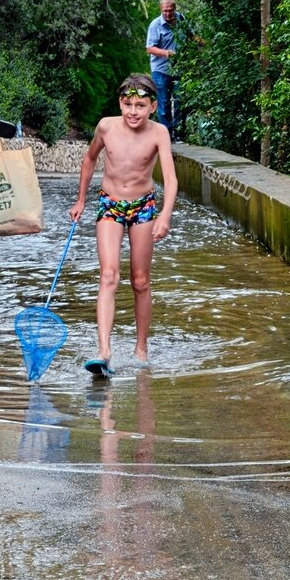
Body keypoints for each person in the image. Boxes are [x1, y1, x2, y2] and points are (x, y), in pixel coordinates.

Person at [68, 74, 178, 376]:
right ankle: (104, 351)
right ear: (120, 103)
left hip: (143, 207)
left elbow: (170, 179)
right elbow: (89, 159)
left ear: (153, 106)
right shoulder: (106, 126)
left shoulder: (159, 133)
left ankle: (141, 348)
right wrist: (80, 200)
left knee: (140, 281)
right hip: (110, 204)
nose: (133, 111)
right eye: (128, 104)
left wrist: (165, 216)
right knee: (108, 276)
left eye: (140, 105)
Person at [145, 0, 195, 141]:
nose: (168, 14)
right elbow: (149, 48)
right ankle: (166, 135)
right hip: (160, 69)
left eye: (170, 11)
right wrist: (166, 53)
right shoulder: (155, 25)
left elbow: (191, 35)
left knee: (181, 100)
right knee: (164, 102)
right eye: (165, 11)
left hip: (180, 68)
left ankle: (179, 134)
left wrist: (204, 44)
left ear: (175, 9)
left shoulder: (181, 19)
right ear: (161, 10)